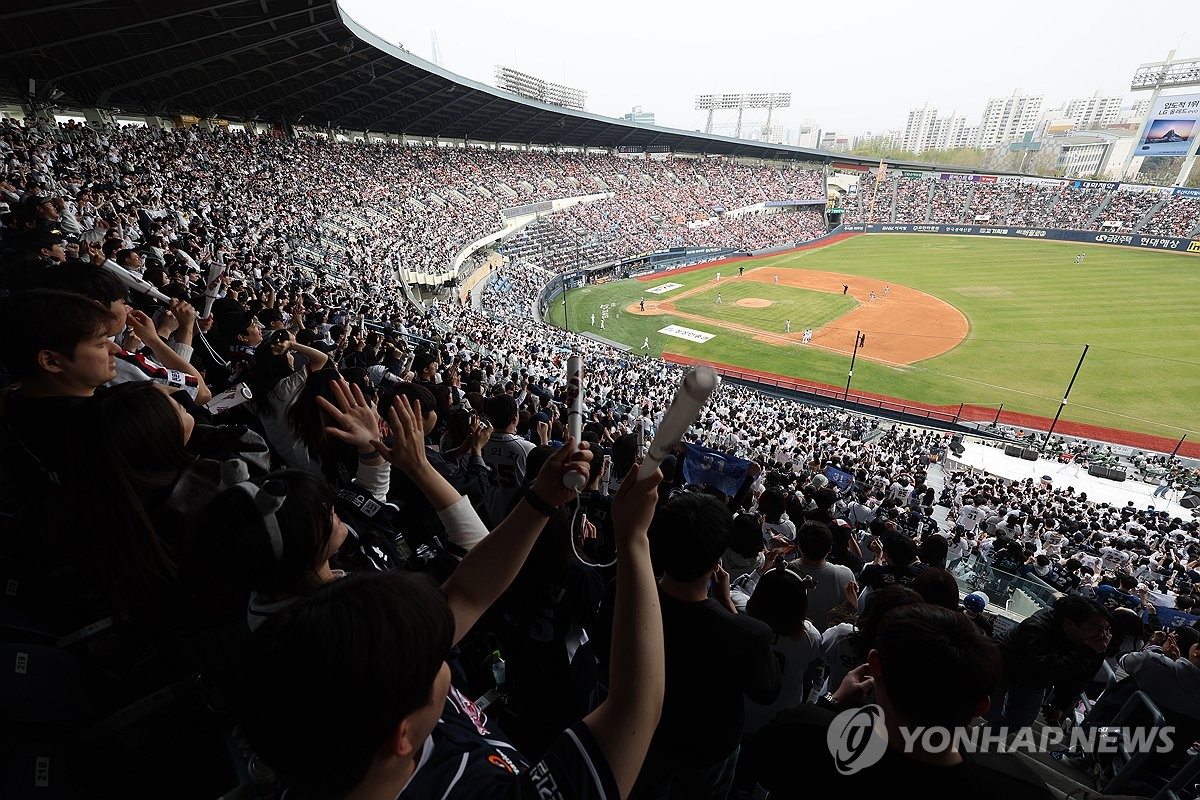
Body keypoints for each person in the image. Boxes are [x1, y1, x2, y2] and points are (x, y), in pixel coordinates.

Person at [239, 442, 676, 800]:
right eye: (433, 657)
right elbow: (637, 707)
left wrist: (542, 501)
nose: (445, 648)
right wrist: (634, 539)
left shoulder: (340, 706)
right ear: (402, 735)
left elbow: (466, 593)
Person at [750, 605, 1055, 798]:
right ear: (980, 708)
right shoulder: (1022, 787)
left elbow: (763, 769)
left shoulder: (802, 735)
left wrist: (831, 703)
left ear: (875, 666)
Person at [601, 491, 780, 800]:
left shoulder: (622, 591)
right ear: (718, 558)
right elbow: (766, 691)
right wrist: (728, 605)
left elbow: (602, 650)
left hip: (637, 734)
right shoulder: (747, 633)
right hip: (706, 754)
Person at [988, 595, 1111, 729]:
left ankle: (984, 734)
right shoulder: (1036, 627)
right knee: (987, 709)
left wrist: (1059, 704)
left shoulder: (1095, 643)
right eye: (1095, 627)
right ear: (1069, 623)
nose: (1103, 635)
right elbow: (1046, 669)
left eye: (1106, 629)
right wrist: (1087, 652)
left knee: (1020, 721)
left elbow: (1081, 677)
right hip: (1003, 666)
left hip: (1034, 682)